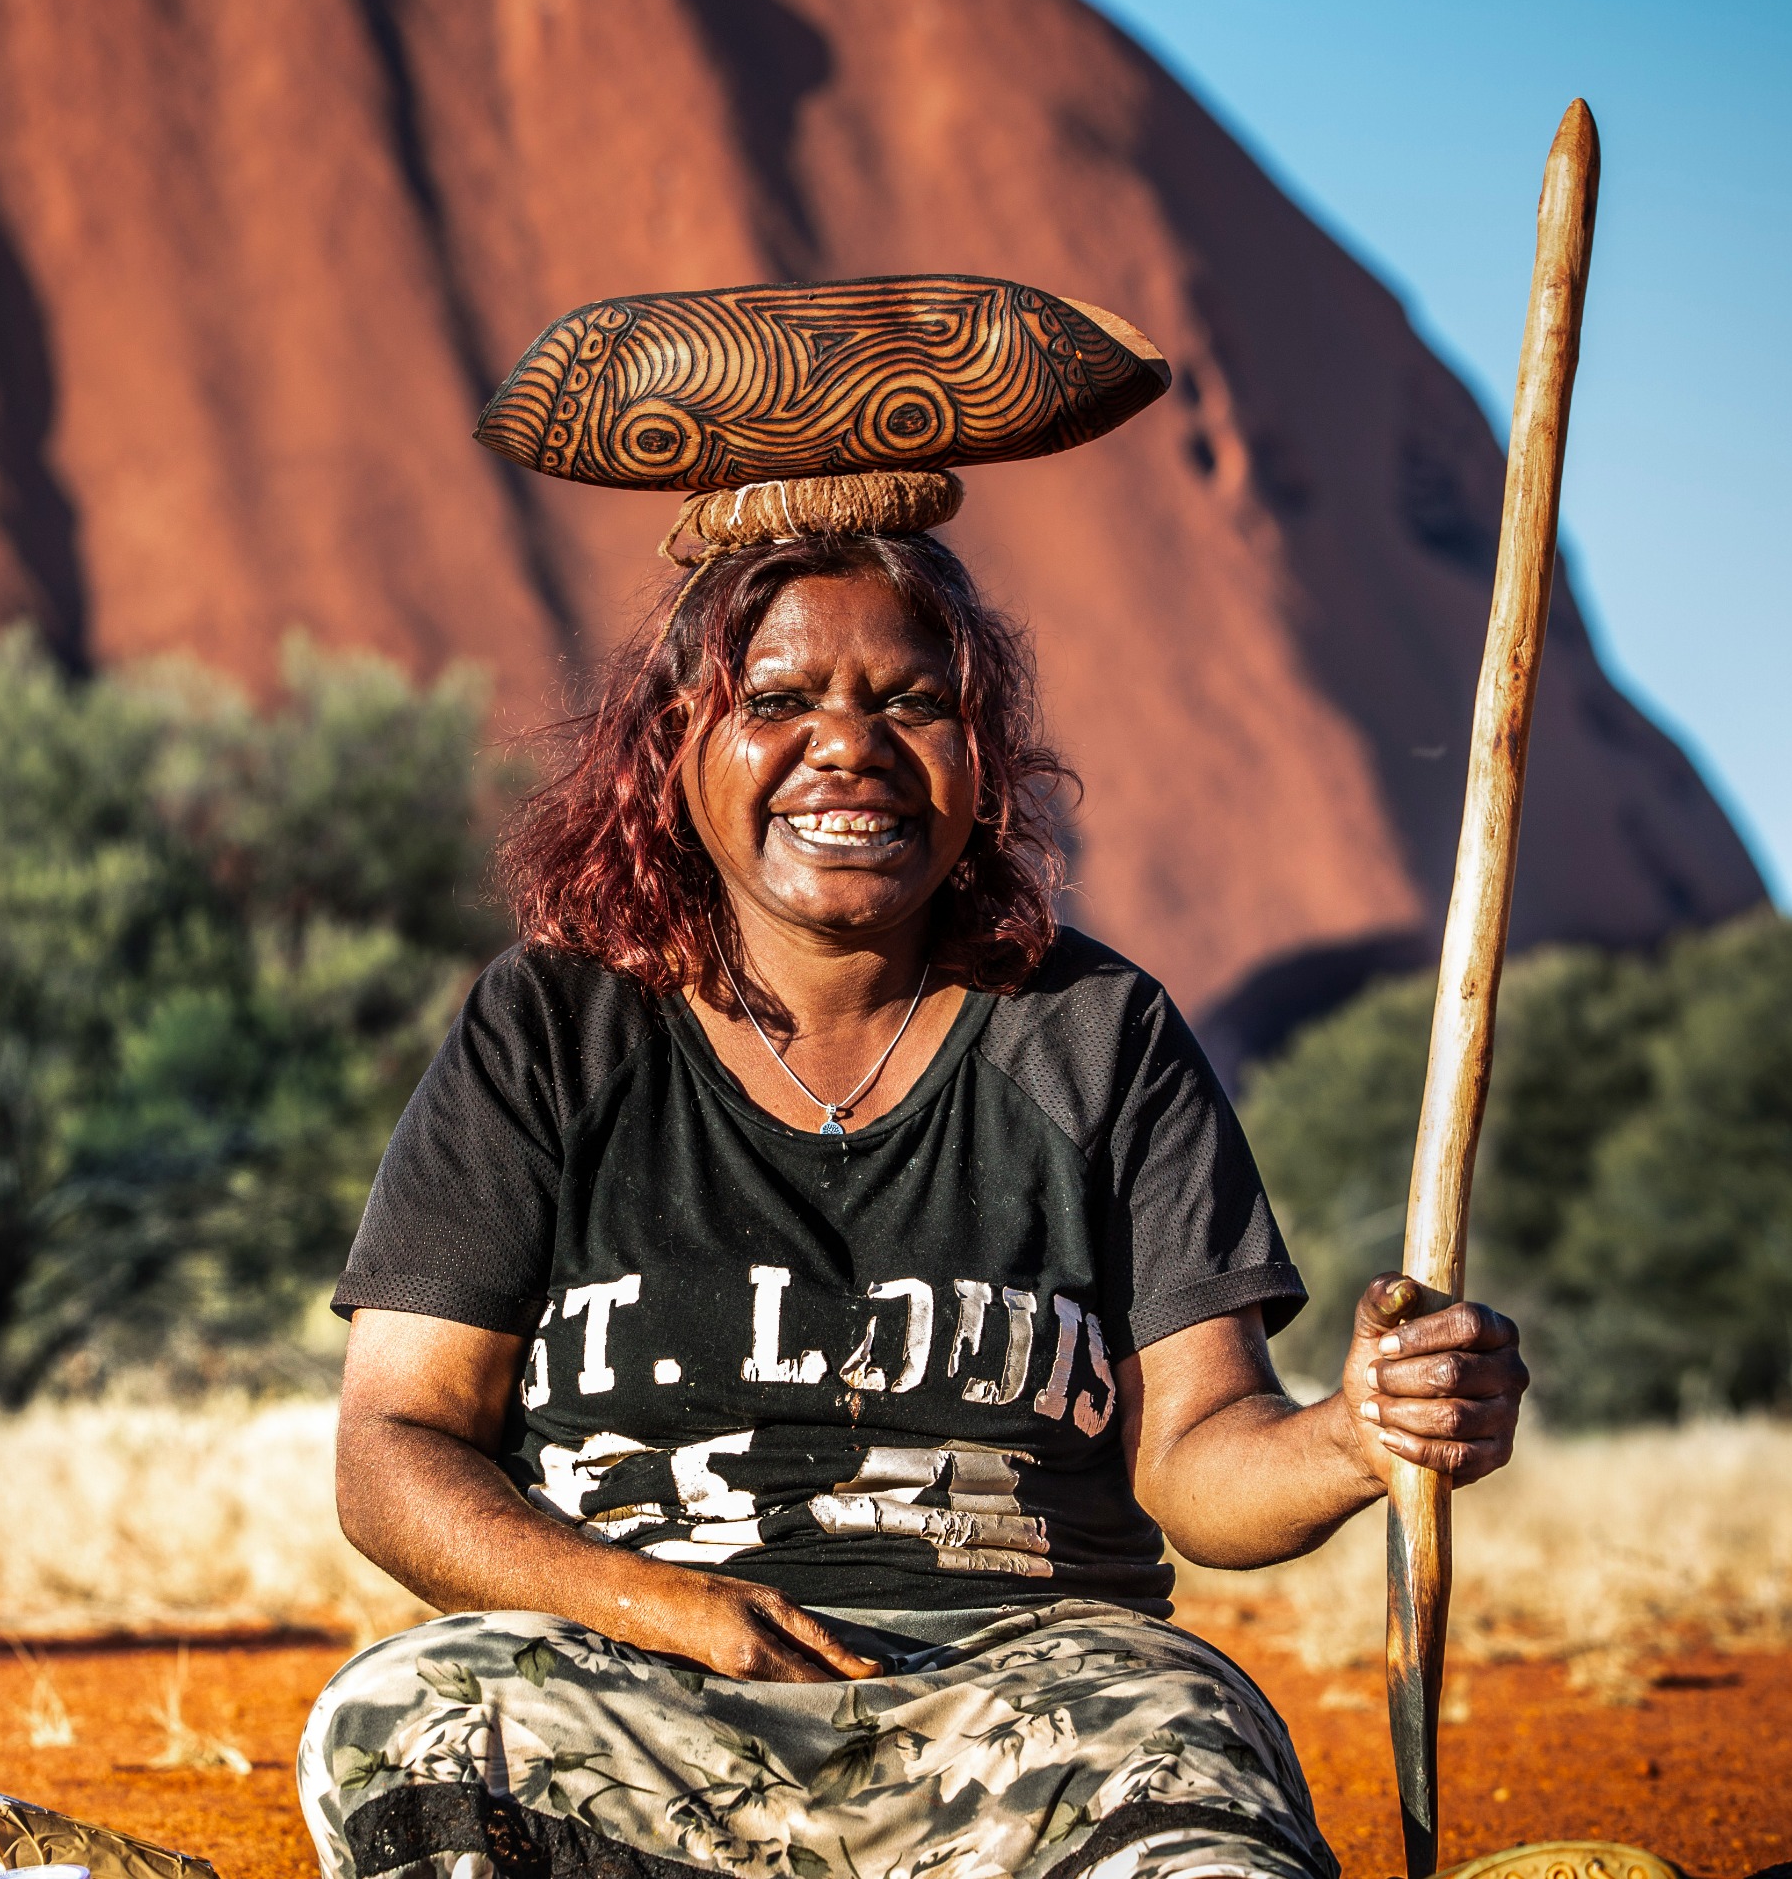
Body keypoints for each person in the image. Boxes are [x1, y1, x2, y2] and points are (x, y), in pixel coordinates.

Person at [298, 527, 1532, 1879]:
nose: (848, 746)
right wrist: (654, 1605)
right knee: (408, 1719)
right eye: (776, 700)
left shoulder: (1092, 1035)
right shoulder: (553, 1028)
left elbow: (1200, 1461)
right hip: (640, 1691)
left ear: (980, 757)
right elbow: (393, 1448)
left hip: (1026, 1710)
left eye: (912, 702)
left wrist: (1362, 1434)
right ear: (675, 746)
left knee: (1190, 1733)